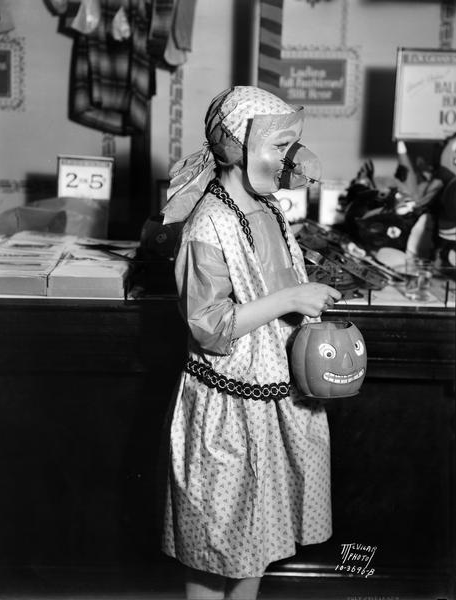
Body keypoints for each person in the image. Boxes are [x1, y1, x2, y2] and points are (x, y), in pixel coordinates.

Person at [160, 86, 341, 600]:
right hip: (228, 406)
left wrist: (300, 295)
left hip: (267, 397)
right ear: (240, 145)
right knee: (213, 550)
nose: (291, 159)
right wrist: (292, 298)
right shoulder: (209, 224)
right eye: (280, 147)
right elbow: (210, 325)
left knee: (253, 544)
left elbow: (273, 280)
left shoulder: (266, 208)